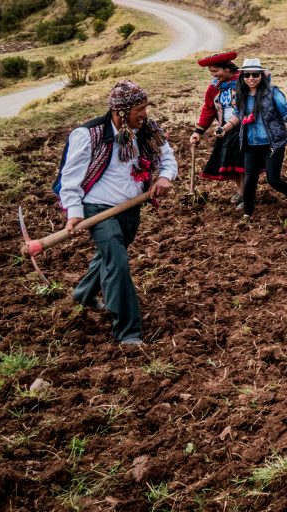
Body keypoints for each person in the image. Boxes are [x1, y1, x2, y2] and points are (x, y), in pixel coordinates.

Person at [52, 80, 177, 345]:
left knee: (110, 256)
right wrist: (74, 212)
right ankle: (128, 332)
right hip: (97, 209)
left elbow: (167, 158)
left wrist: (165, 177)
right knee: (118, 263)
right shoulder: (88, 135)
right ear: (121, 111)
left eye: (146, 107)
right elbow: (70, 178)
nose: (145, 113)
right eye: (139, 108)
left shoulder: (147, 130)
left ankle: (84, 294)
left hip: (130, 208)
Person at [230, 58, 287, 221]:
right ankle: (247, 215)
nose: (251, 78)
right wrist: (224, 129)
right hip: (251, 145)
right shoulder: (241, 95)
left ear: (261, 76)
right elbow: (238, 115)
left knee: (273, 179)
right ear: (242, 77)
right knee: (250, 181)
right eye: (247, 75)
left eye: (255, 75)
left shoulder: (273, 93)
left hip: (272, 144)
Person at [189, 51, 244, 205]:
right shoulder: (214, 87)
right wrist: (198, 131)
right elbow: (208, 109)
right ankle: (241, 191)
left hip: (244, 128)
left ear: (227, 68)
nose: (214, 75)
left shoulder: (244, 81)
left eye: (216, 71)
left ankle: (245, 193)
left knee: (242, 163)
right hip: (225, 129)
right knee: (231, 162)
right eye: (211, 72)